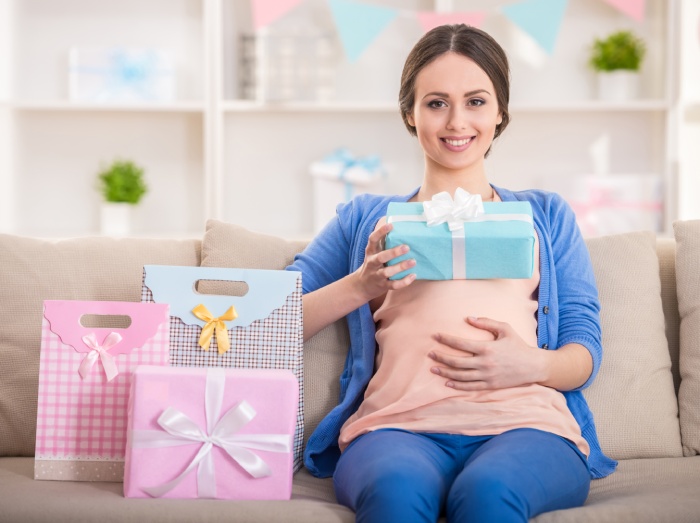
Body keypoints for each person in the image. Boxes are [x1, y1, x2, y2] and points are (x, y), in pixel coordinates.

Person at [286, 24, 617, 523]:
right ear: (409, 114)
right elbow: (274, 320)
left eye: (477, 101)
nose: (457, 121)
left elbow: (584, 346)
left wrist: (530, 365)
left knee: (488, 493)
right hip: (394, 430)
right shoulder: (364, 217)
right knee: (395, 493)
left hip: (527, 428)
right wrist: (363, 284)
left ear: (501, 111)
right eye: (436, 102)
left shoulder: (544, 215)